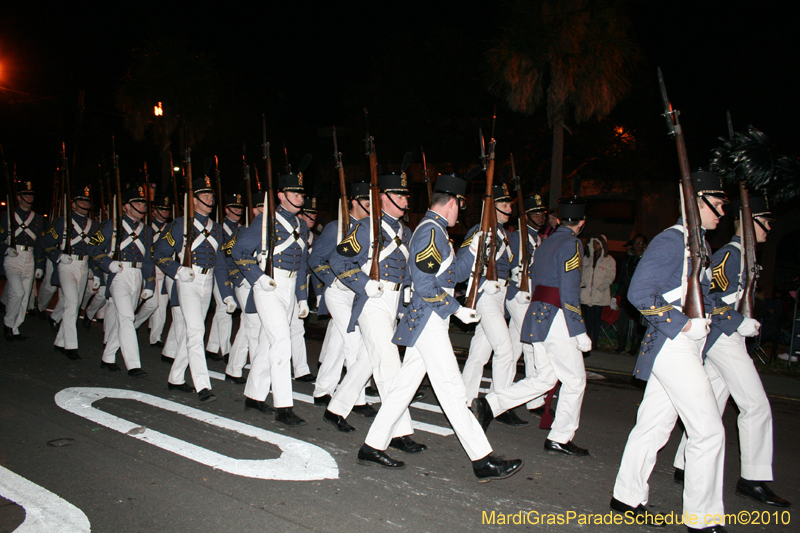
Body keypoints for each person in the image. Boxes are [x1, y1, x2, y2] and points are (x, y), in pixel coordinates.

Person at [358, 172, 523, 482]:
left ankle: (372, 445)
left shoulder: (437, 232)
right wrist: (456, 309)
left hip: (431, 318)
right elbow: (423, 285)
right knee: (452, 390)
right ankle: (482, 459)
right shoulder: (429, 233)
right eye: (459, 205)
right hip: (428, 320)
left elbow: (454, 274)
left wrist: (473, 249)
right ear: (451, 204)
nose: (460, 211)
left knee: (402, 389)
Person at [610, 170, 728, 531]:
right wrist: (683, 324)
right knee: (708, 431)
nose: (722, 213)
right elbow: (639, 292)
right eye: (718, 206)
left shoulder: (699, 244)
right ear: (697, 202)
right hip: (674, 343)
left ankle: (626, 497)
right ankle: (703, 519)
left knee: (653, 425)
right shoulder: (673, 240)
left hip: (681, 344)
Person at [672, 195, 790, 508]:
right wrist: (739, 322)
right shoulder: (730, 255)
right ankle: (752, 478)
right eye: (766, 223)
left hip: (728, 337)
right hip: (724, 337)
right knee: (756, 406)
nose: (769, 230)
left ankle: (684, 464)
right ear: (752, 222)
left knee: (711, 402)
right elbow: (711, 297)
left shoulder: (746, 256)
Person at [474, 197, 592, 457]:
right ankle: (560, 437)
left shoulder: (547, 242)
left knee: (544, 378)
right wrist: (578, 328)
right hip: (558, 316)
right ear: (581, 223)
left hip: (537, 314)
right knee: (574, 380)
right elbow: (570, 288)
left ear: (559, 220)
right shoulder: (572, 243)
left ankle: (491, 403)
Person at [324, 169, 424, 451]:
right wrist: (363, 283)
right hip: (372, 302)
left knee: (368, 360)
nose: (405, 200)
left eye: (406, 194)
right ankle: (398, 432)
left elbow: (406, 271)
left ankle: (336, 408)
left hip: (392, 303)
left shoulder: (406, 231)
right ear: (384, 197)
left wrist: (405, 304)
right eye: (400, 194)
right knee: (389, 366)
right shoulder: (367, 227)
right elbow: (338, 260)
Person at [232, 166, 309, 426]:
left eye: (301, 194)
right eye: (294, 194)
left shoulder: (302, 225)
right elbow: (239, 252)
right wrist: (258, 278)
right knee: (281, 342)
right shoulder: (265, 221)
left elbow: (302, 263)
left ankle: (254, 396)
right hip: (269, 286)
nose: (300, 198)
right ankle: (283, 406)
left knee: (268, 342)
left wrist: (302, 297)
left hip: (289, 288)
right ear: (280, 195)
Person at [154, 175, 231, 404]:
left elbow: (220, 264)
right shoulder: (180, 224)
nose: (210, 198)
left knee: (193, 333)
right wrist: (177, 270)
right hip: (187, 280)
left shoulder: (217, 229)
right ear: (193, 199)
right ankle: (203, 385)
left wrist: (226, 295)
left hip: (207, 283)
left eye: (211, 195)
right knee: (197, 332)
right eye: (204, 195)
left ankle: (176, 378)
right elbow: (159, 254)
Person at [458, 183, 525, 426]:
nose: (509, 208)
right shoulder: (480, 229)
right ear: (491, 206)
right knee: (505, 350)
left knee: (480, 352)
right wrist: (484, 281)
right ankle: (500, 403)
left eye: (509, 204)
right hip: (486, 295)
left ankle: (465, 399)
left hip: (500, 296)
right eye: (504, 204)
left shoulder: (504, 234)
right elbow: (462, 262)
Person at [310, 182, 372, 415]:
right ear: (354, 202)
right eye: (366, 204)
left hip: (361, 292)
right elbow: (316, 259)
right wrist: (334, 281)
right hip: (340, 292)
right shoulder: (336, 228)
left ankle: (323, 390)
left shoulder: (371, 228)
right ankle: (356, 398)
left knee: (338, 341)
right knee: (353, 341)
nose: (369, 208)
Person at [88, 184, 154, 377]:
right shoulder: (112, 225)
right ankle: (133, 365)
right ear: (126, 206)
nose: (142, 206)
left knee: (123, 320)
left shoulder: (147, 230)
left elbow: (149, 260)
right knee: (127, 318)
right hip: (119, 275)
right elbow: (94, 249)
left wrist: (149, 284)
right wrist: (108, 264)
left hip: (138, 276)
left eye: (143, 203)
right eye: (137, 203)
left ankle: (108, 357)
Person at [40, 186, 101, 360]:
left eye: (87, 201)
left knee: (73, 303)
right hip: (67, 264)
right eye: (80, 200)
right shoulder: (62, 222)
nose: (84, 203)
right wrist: (58, 255)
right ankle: (70, 346)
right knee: (72, 302)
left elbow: (95, 250)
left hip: (84, 265)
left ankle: (59, 342)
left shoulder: (94, 225)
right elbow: (46, 243)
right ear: (73, 204)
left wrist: (95, 272)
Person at [1, 180, 45, 341]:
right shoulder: (7, 216)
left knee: (25, 295)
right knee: (17, 292)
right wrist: (6, 249)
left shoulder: (38, 218)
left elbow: (40, 244)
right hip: (13, 257)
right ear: (18, 197)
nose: (29, 197)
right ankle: (7, 324)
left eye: (31, 194)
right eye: (26, 194)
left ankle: (15, 327)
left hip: (30, 257)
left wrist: (39, 264)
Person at [206, 192, 243, 362]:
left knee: (223, 309)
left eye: (239, 207)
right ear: (227, 209)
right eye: (234, 207)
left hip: (236, 273)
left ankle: (212, 347)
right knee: (225, 308)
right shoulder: (217, 229)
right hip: (219, 273)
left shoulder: (242, 229)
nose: (238, 210)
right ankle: (226, 350)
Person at [133, 196, 172, 348]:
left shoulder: (170, 228)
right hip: (149, 270)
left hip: (165, 270)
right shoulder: (146, 229)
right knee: (151, 304)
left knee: (161, 307)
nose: (164, 212)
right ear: (154, 212)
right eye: (161, 209)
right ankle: (135, 323)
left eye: (166, 210)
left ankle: (156, 337)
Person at [289, 196, 318, 383]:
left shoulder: (315, 238)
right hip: (283, 280)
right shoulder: (291, 233)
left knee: (297, 326)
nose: (312, 219)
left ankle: (300, 369)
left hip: (303, 281)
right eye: (309, 215)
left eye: (314, 215)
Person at [580, 234, 616, 354]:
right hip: (587, 294)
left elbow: (610, 275)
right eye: (593, 243)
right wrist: (582, 284)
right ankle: (587, 342)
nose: (595, 246)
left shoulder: (609, 260)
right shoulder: (587, 258)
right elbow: (582, 273)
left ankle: (594, 342)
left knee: (596, 320)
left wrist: (602, 286)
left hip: (599, 294)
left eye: (597, 243)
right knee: (588, 319)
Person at [614, 234, 648, 354]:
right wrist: (618, 294)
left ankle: (634, 347)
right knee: (622, 319)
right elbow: (623, 277)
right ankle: (621, 345)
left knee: (638, 321)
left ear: (645, 245)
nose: (638, 245)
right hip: (627, 293)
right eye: (636, 243)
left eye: (640, 243)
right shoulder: (628, 259)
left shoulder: (646, 260)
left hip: (640, 294)